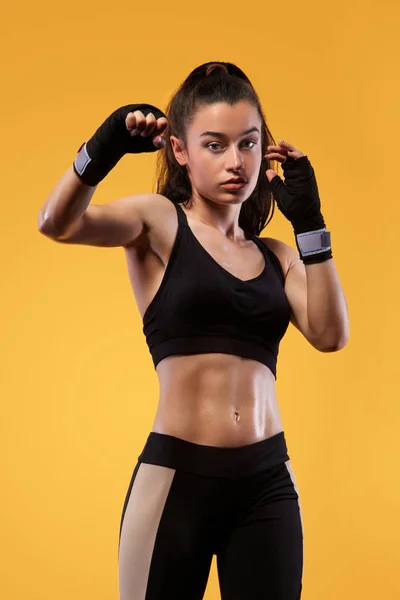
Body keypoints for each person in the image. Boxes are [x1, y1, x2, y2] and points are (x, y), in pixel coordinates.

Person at [38, 61, 349, 599]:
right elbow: (57, 224)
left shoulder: (277, 257)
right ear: (179, 149)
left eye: (248, 143)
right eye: (215, 145)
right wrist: (101, 148)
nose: (236, 162)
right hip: (177, 478)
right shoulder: (160, 222)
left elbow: (329, 334)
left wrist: (311, 225)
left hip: (267, 482)